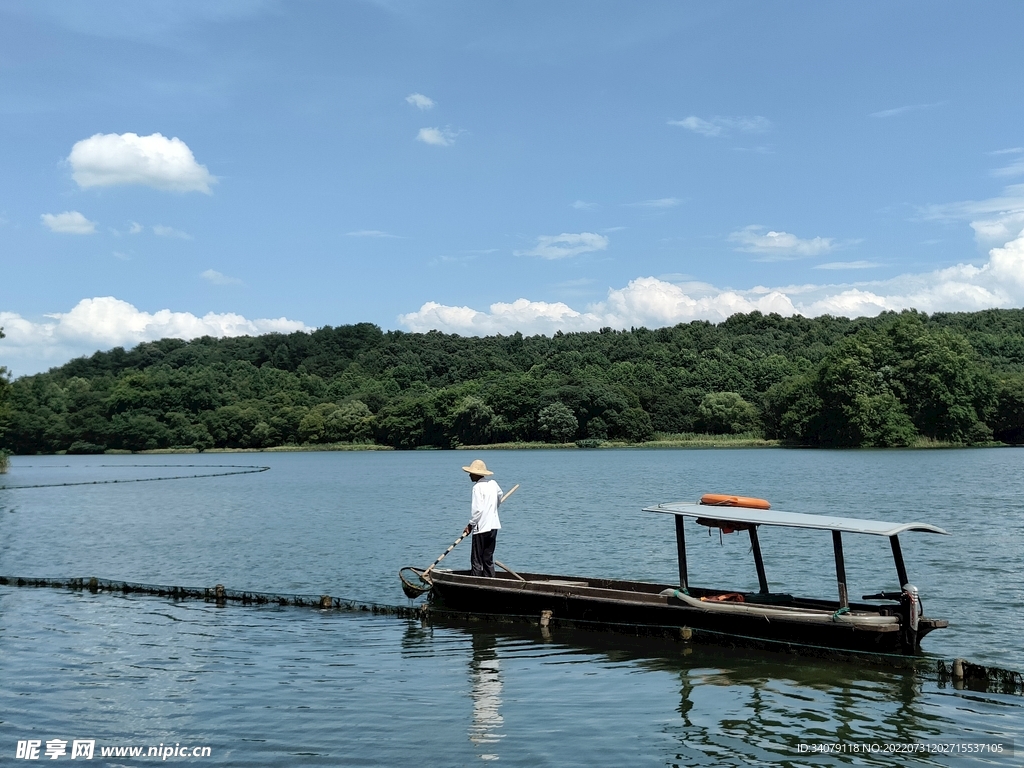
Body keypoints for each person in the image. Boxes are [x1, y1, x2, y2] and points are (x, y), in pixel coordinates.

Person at [462, 459, 503, 577]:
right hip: (494, 526)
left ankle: (476, 582)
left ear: (477, 474)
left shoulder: (477, 487)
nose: (469, 475)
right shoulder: (493, 484)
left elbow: (477, 510)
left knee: (476, 560)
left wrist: (470, 525)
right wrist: (494, 506)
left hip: (481, 528)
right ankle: (491, 581)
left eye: (471, 473)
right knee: (488, 558)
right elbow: (500, 495)